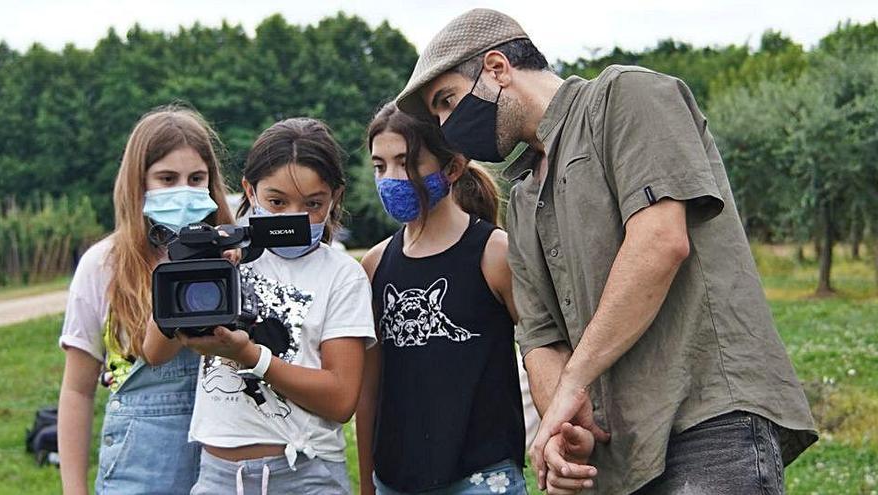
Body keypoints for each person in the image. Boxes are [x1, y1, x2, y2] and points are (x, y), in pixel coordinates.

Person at [395, 8, 818, 494]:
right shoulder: (527, 196)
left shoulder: (626, 96)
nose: (447, 127)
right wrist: (561, 426)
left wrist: (574, 381)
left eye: (447, 102)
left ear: (496, 68)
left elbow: (661, 242)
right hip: (619, 454)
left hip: (707, 420)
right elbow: (540, 337)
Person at [144, 117, 374, 494]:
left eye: (312, 204)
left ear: (336, 197)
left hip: (304, 473)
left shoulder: (343, 276)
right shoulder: (225, 256)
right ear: (250, 191)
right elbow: (155, 351)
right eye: (276, 202)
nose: (291, 217)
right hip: (217, 474)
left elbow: (340, 399)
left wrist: (251, 356)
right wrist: (191, 263)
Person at [58, 105, 235, 494]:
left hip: (227, 465)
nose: (184, 191)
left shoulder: (233, 255)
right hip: (139, 469)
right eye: (167, 179)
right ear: (139, 183)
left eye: (196, 178)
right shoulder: (103, 266)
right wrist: (74, 489)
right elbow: (77, 390)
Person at [355, 102, 528, 495]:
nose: (391, 178)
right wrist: (367, 484)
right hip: (396, 479)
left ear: (452, 167)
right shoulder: (375, 264)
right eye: (380, 166)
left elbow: (545, 353)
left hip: (483, 476)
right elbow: (370, 390)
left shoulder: (495, 253)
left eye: (406, 162)